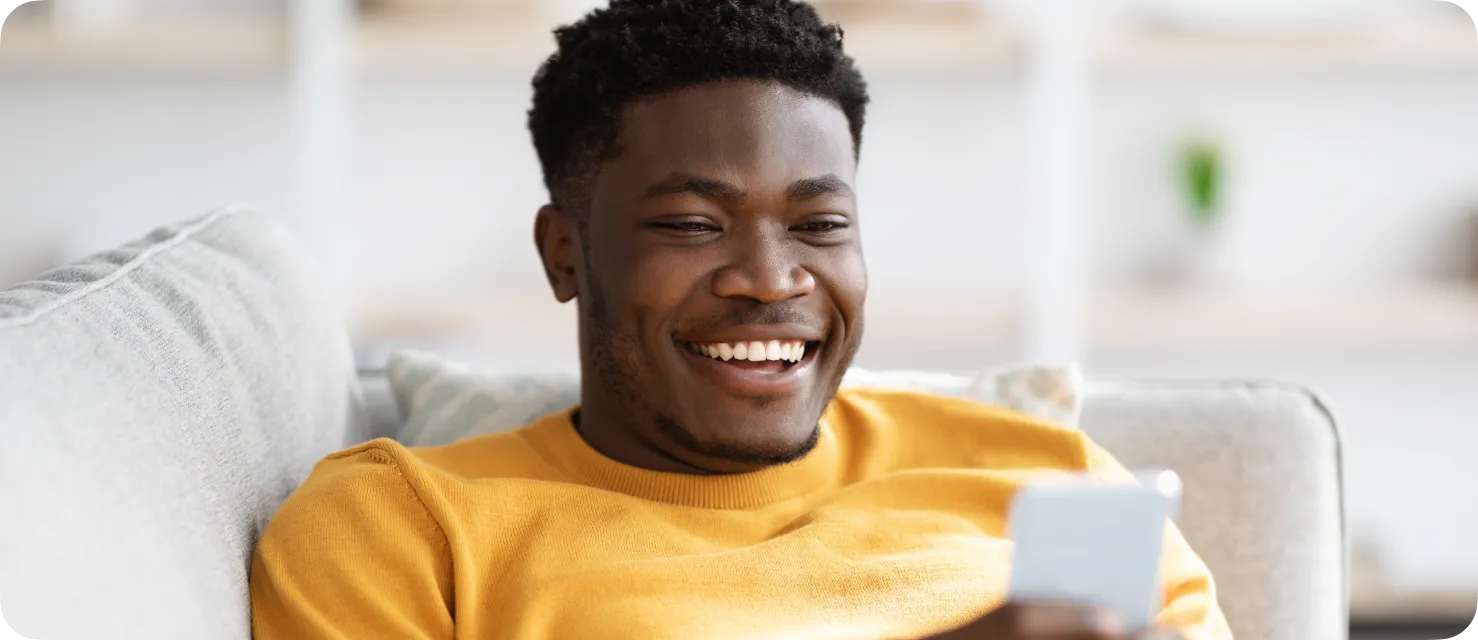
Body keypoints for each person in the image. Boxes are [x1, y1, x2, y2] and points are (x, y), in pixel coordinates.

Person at [249, 1, 1233, 638]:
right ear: (564, 254)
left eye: (819, 224)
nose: (771, 280)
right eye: (690, 223)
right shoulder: (399, 527)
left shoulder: (1054, 483)